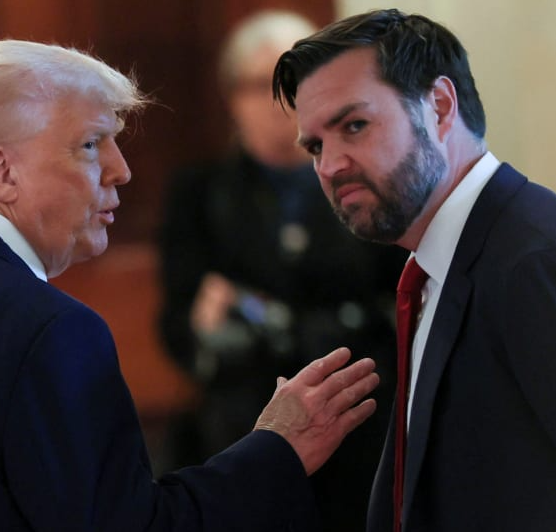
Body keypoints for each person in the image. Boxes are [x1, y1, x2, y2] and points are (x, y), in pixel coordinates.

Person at [0, 39, 382, 532]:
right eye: (90, 144)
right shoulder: (46, 327)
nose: (121, 170)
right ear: (1, 171)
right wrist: (277, 449)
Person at [273, 8, 556, 532]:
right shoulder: (443, 265)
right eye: (316, 146)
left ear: (439, 106)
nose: (329, 166)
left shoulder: (536, 262)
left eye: (354, 126)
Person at [158, 11, 406, 531]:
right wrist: (207, 325)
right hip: (246, 424)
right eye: (262, 85)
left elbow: (401, 295)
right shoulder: (199, 192)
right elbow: (177, 318)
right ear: (232, 96)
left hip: (363, 418)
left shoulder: (370, 182)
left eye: (298, 84)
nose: (282, 102)